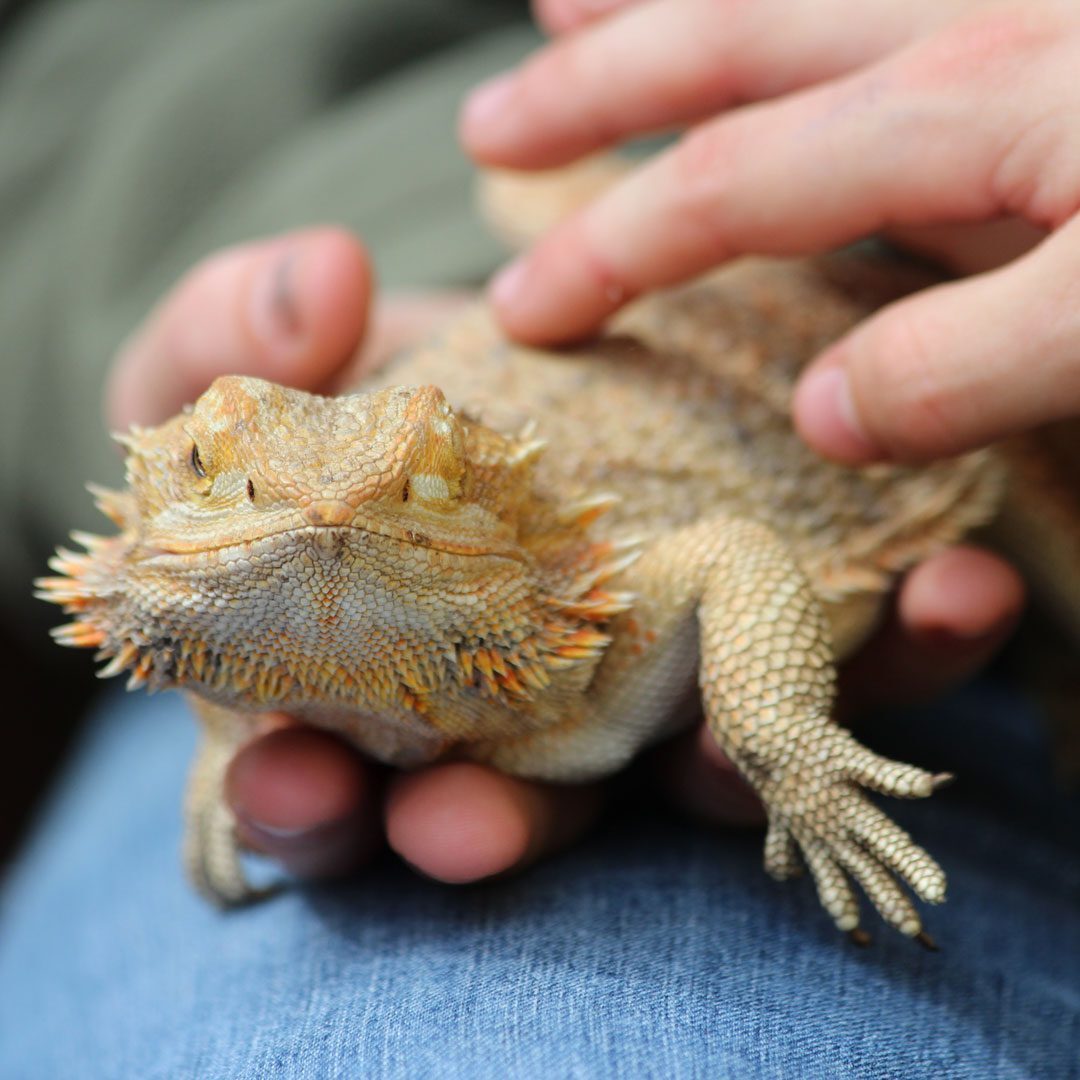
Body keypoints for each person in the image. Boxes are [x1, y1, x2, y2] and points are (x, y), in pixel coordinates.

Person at [1, 1, 1076, 1075]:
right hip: (364, 210)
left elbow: (730, 555)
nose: (321, 524)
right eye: (211, 482)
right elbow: (180, 585)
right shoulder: (203, 592)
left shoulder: (593, 642)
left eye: (406, 496)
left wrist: (778, 741)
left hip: (869, 305)